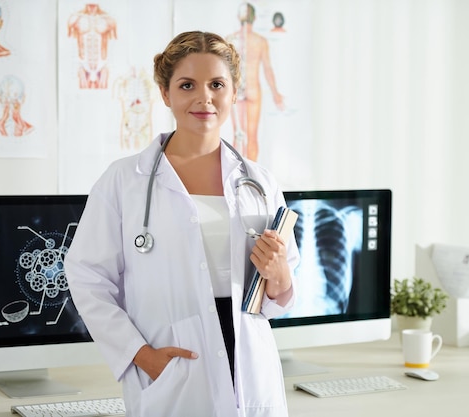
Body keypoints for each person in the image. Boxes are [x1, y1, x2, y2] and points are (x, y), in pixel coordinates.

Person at [64, 31, 299, 417]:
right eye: (187, 85)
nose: (204, 97)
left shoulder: (259, 182)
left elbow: (278, 297)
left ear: (234, 92)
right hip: (173, 367)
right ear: (165, 93)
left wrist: (281, 276)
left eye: (217, 84)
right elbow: (88, 279)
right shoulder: (124, 180)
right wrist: (141, 356)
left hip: (251, 364)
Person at [227, 2, 285, 161]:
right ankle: (252, 179)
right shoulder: (260, 41)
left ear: (239, 17)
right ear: (254, 18)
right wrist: (275, 93)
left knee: (238, 135)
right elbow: (268, 69)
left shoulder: (230, 40)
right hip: (253, 90)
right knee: (251, 137)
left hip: (236, 92)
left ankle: (237, 179)